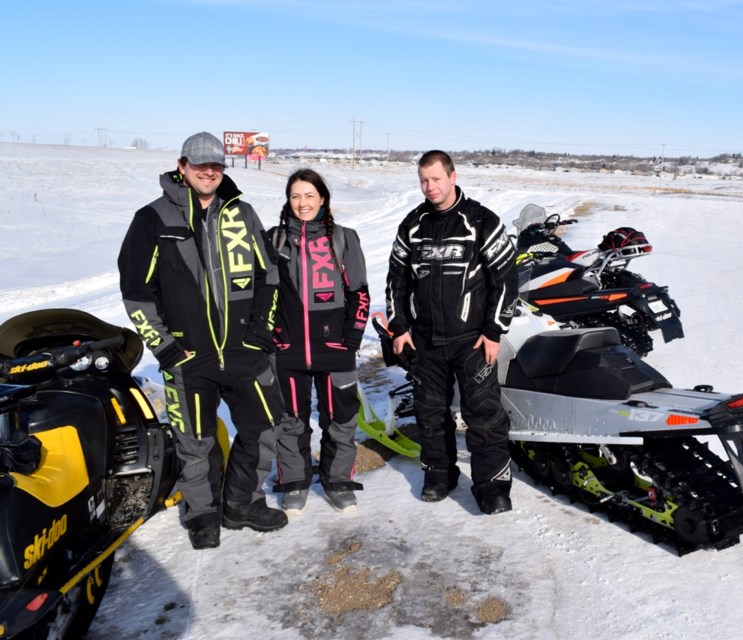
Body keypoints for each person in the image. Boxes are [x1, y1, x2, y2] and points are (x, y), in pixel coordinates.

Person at [118, 131, 291, 549]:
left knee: (265, 426)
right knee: (195, 442)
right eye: (199, 165)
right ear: (182, 167)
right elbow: (136, 293)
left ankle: (242, 503)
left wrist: (260, 332)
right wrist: (166, 348)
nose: (208, 172)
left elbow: (269, 276)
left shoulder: (242, 214)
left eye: (215, 165)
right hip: (189, 357)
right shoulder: (153, 219)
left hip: (244, 352)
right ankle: (203, 513)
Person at [385, 150, 518, 515]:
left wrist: (493, 331)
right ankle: (439, 475)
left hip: (472, 340)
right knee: (430, 414)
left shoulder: (481, 221)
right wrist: (399, 327)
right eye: (424, 180)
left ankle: (492, 486)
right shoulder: (412, 225)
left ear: (453, 176)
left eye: (436, 179)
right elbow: (396, 280)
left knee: (484, 415)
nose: (430, 187)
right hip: (426, 341)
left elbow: (506, 280)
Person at [268, 169, 370, 513]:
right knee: (290, 421)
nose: (302, 203)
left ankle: (337, 480)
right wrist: (272, 337)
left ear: (323, 198)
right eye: (296, 196)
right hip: (288, 350)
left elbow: (359, 292)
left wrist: (352, 338)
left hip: (335, 348)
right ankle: (294, 482)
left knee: (340, 419)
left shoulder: (343, 238)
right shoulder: (274, 240)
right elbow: (260, 295)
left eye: (309, 195)